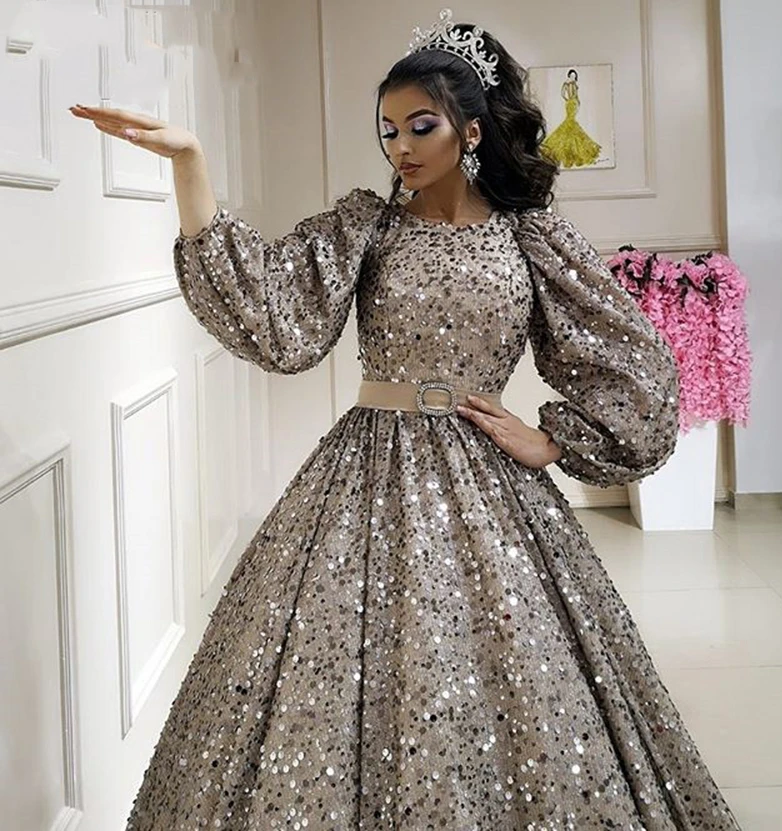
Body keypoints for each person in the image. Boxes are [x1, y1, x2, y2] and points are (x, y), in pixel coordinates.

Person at [71, 8, 742, 830]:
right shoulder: (369, 227)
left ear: (470, 130)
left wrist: (552, 440)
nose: (400, 147)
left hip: (490, 483)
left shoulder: (530, 237)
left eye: (421, 126)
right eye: (388, 131)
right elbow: (275, 318)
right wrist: (191, 165)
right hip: (364, 476)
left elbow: (634, 364)